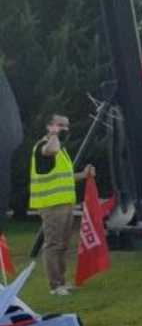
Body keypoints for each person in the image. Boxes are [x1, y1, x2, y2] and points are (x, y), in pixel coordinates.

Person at [29, 114, 95, 295]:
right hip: (51, 205)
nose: (65, 129)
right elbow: (50, 151)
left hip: (64, 204)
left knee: (63, 245)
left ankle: (61, 282)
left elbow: (65, 177)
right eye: (60, 125)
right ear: (49, 126)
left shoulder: (61, 150)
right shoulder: (45, 146)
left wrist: (83, 175)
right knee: (54, 244)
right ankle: (55, 286)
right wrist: (53, 135)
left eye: (66, 126)